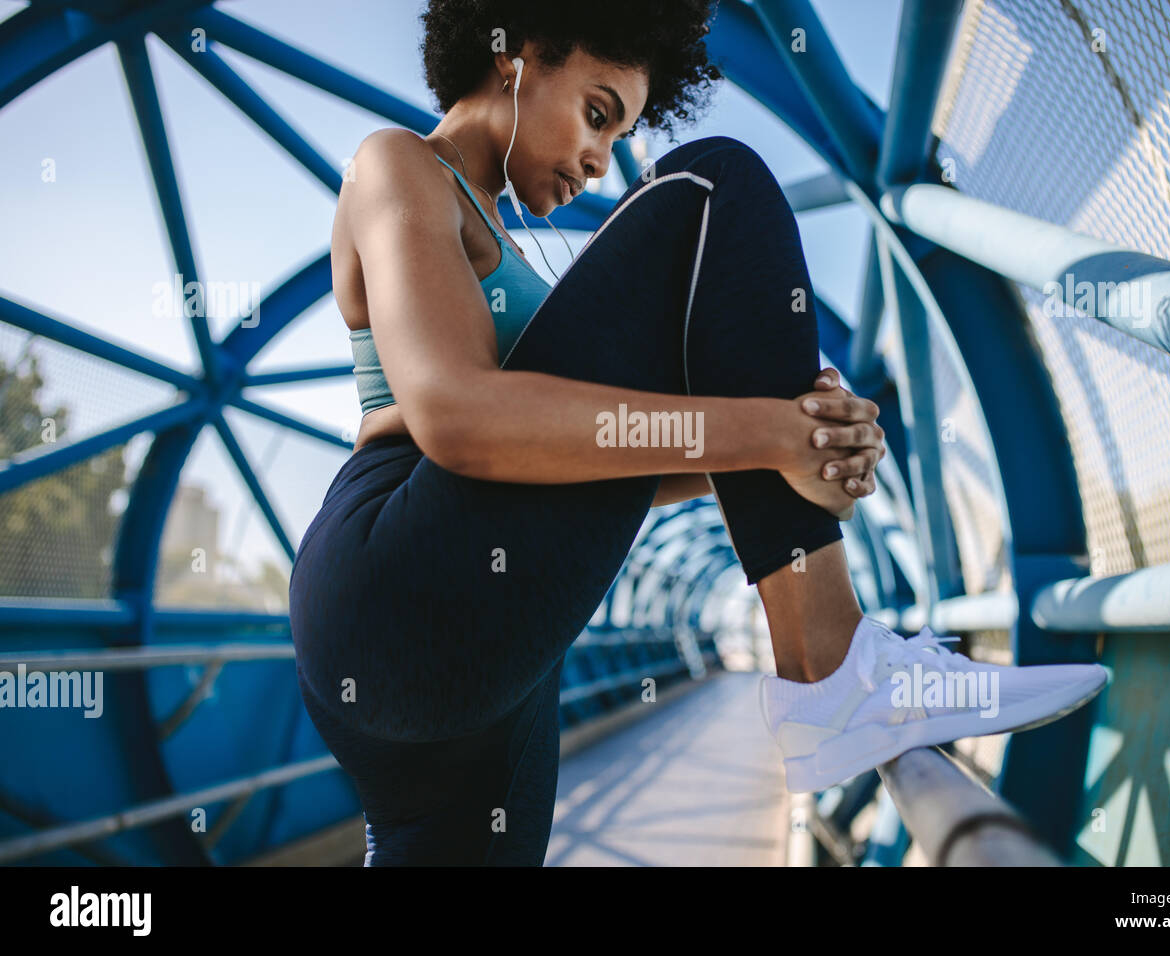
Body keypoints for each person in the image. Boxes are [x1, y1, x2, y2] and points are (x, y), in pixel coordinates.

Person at [288, 0, 1107, 865]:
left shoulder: (515, 251)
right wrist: (765, 433)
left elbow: (597, 459)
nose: (600, 163)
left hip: (489, 656)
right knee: (714, 186)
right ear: (518, 55)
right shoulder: (399, 165)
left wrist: (797, 438)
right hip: (402, 580)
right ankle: (832, 668)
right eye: (598, 114)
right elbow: (457, 418)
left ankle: (840, 668)